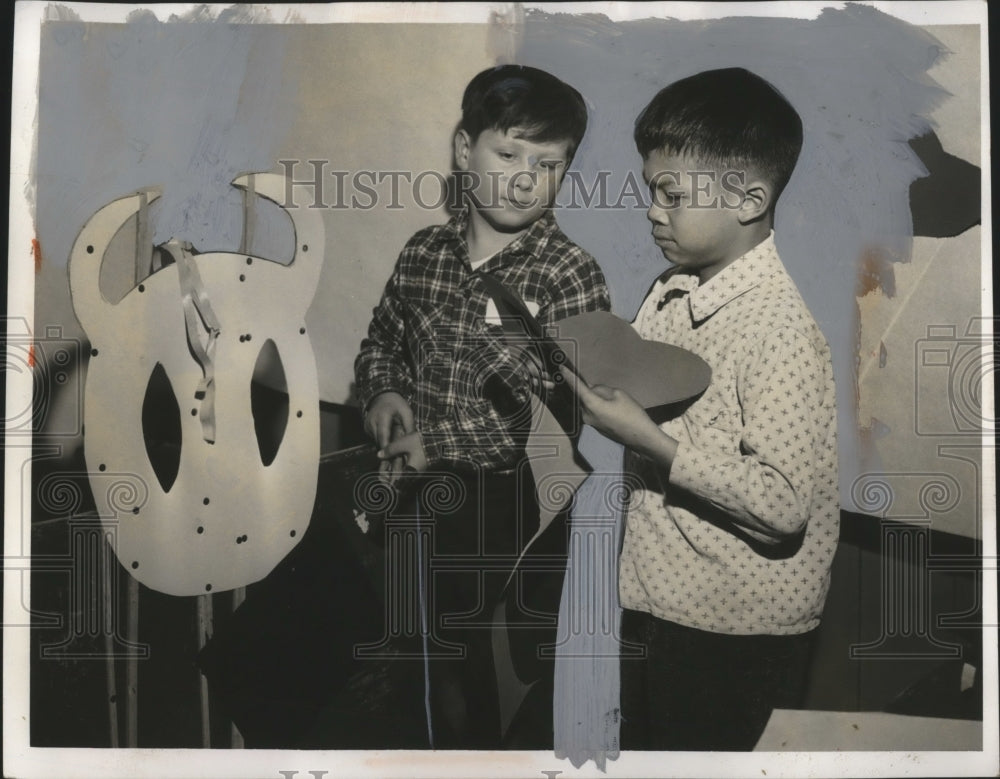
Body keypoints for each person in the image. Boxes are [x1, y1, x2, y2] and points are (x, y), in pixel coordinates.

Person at [573, 67, 839, 751]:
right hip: (656, 602)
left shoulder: (780, 330)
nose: (653, 211)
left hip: (736, 632)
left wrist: (650, 441)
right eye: (650, 191)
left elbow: (782, 504)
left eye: (671, 194)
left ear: (748, 198)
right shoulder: (669, 292)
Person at [354, 64, 611, 748]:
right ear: (464, 150)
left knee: (499, 688)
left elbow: (554, 413)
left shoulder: (569, 273)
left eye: (548, 163)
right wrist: (383, 390)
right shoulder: (423, 253)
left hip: (515, 519)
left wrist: (436, 440)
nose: (527, 177)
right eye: (508, 153)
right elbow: (382, 339)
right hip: (418, 503)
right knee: (424, 669)